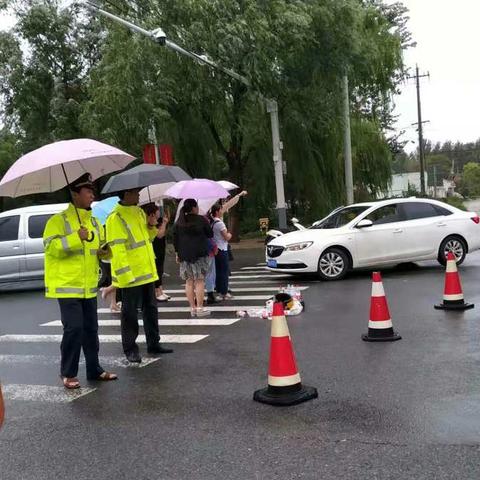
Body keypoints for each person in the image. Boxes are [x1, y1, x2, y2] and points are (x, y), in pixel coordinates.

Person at [42, 173, 117, 389]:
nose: (92, 194)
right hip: (67, 286)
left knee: (91, 330)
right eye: (88, 191)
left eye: (92, 190)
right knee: (74, 328)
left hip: (87, 286)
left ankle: (94, 369)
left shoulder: (93, 220)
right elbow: (51, 248)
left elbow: (98, 250)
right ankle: (68, 372)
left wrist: (105, 251)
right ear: (75, 194)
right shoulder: (57, 221)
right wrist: (77, 237)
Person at [106, 188, 173, 363]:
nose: (138, 195)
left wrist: (151, 224)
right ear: (126, 194)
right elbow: (118, 250)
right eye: (136, 192)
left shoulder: (138, 212)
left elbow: (149, 239)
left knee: (151, 310)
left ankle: (153, 343)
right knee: (130, 314)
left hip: (147, 273)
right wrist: (126, 276)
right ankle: (130, 349)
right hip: (131, 276)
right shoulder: (116, 218)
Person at [173, 199, 213, 317]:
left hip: (184, 255)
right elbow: (210, 234)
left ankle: (192, 308)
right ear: (194, 208)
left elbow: (175, 240)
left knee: (189, 281)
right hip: (200, 254)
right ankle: (200, 308)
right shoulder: (201, 220)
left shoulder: (179, 222)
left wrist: (177, 253)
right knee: (199, 281)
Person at [141, 203, 171, 302]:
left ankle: (160, 291)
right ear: (152, 213)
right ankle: (157, 292)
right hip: (154, 249)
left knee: (160, 269)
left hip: (160, 248)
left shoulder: (158, 221)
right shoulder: (150, 223)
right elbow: (159, 235)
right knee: (157, 270)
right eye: (157, 210)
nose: (159, 212)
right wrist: (165, 223)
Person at [210, 203, 233, 300]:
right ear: (217, 212)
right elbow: (226, 237)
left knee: (218, 271)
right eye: (220, 209)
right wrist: (230, 234)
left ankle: (219, 290)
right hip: (222, 249)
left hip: (215, 249)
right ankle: (224, 292)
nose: (222, 211)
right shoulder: (220, 223)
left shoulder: (211, 223)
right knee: (224, 271)